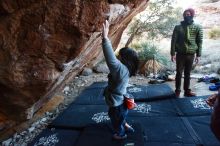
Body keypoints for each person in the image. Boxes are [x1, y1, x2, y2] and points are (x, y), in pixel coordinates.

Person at [102, 20, 139, 140]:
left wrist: (105, 38)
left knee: (115, 118)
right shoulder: (127, 69)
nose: (118, 56)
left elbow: (110, 58)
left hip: (117, 101)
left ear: (124, 58)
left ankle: (121, 134)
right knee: (121, 115)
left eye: (120, 55)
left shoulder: (121, 69)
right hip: (122, 100)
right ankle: (125, 124)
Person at [171, 8, 203, 97]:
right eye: (185, 14)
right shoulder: (178, 27)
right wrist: (172, 53)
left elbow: (199, 41)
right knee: (179, 73)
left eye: (188, 14)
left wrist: (198, 55)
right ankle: (177, 91)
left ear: (192, 15)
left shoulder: (198, 27)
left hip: (191, 54)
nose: (186, 16)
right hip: (180, 54)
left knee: (188, 73)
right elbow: (173, 41)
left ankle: (187, 91)